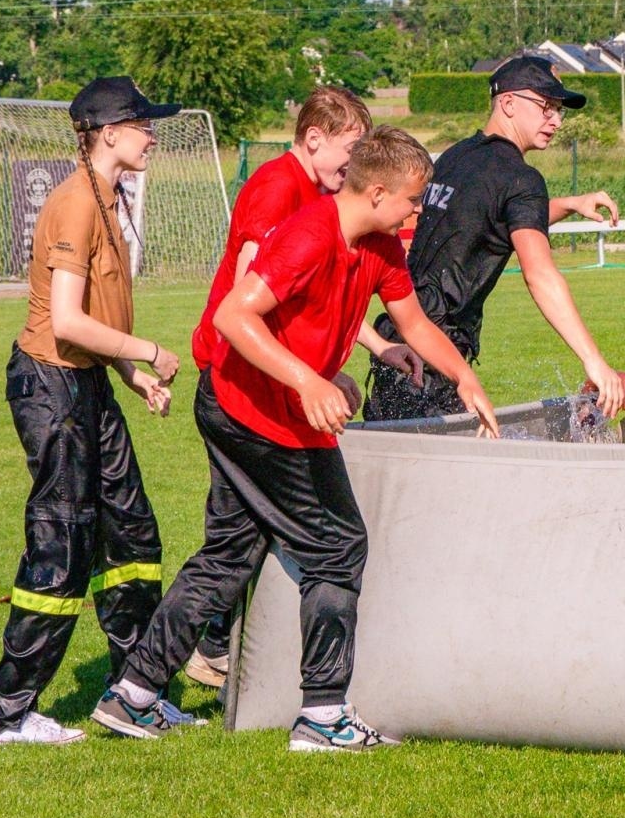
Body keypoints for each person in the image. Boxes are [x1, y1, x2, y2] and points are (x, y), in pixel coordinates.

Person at [92, 126, 499, 751]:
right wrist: (312, 382)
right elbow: (233, 314)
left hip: (250, 407)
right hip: (253, 413)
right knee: (338, 545)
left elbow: (413, 320)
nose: (420, 212)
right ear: (379, 191)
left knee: (230, 555)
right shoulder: (308, 234)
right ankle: (324, 714)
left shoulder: (381, 246)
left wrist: (463, 376)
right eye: (414, 201)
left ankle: (133, 694)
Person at [182, 86, 425, 690]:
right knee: (279, 541)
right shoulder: (276, 188)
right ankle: (269, 680)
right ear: (313, 137)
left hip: (273, 381)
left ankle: (152, 679)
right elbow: (246, 304)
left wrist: (371, 348)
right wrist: (308, 373)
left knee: (240, 536)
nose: (355, 161)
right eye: (350, 148)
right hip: (242, 382)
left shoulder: (318, 196)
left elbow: (306, 299)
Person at [0, 77, 188, 745]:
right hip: (52, 387)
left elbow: (94, 316)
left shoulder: (109, 196)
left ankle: (132, 695)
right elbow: (67, 322)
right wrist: (148, 350)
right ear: (110, 132)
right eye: (144, 124)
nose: (153, 135)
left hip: (88, 386)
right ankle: (7, 715)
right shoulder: (74, 205)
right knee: (63, 547)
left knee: (133, 537)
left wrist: (129, 374)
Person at [363, 55, 625, 422]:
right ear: (507, 103)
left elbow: (487, 218)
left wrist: (568, 204)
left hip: (396, 339)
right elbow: (540, 274)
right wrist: (593, 360)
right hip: (437, 352)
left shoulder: (456, 157)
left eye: (559, 109)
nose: (556, 119)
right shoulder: (521, 178)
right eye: (545, 106)